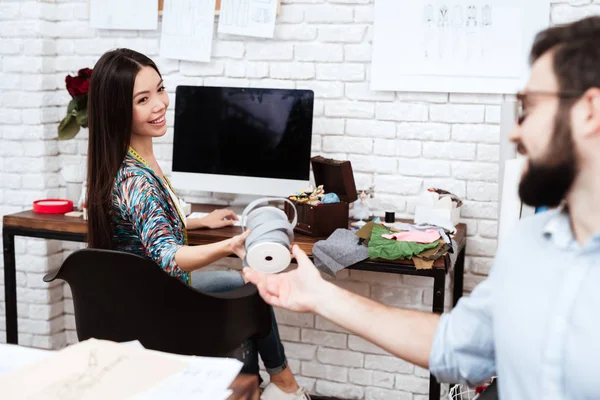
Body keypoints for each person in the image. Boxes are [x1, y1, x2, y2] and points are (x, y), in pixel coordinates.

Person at [243, 16, 600, 399]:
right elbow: (458, 346)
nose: (516, 131)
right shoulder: (531, 244)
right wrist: (322, 297)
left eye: (528, 106)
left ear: (589, 110)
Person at [86, 48, 309, 400]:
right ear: (116, 110)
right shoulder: (137, 180)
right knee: (252, 286)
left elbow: (150, 223)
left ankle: (276, 387)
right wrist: (229, 245)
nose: (159, 104)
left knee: (248, 292)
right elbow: (170, 257)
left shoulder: (133, 162)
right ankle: (284, 387)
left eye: (159, 89)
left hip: (152, 291)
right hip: (162, 298)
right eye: (143, 99)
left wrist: (200, 221)